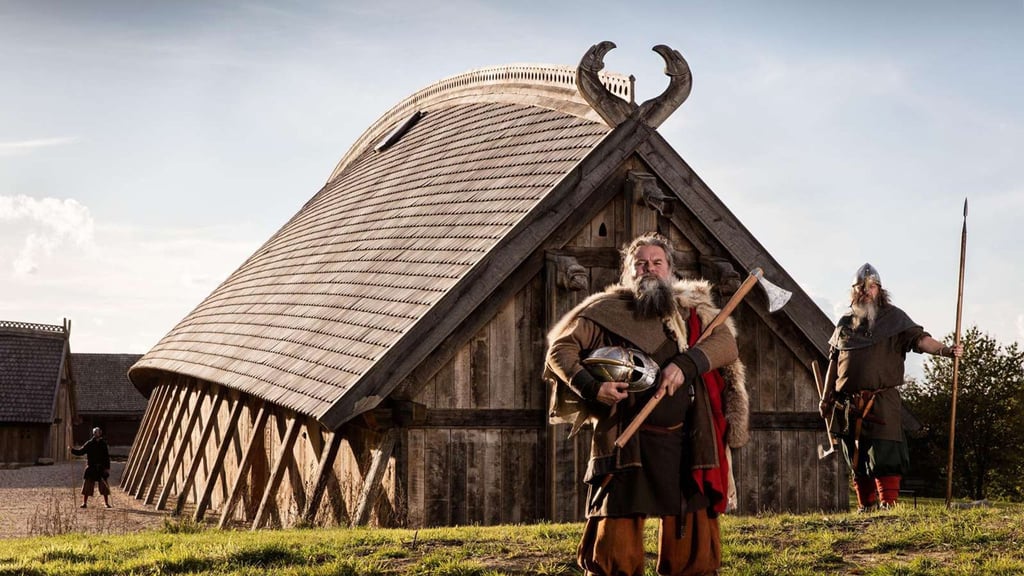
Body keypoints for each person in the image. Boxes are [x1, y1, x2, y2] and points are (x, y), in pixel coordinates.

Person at [545, 232, 748, 576]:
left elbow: (726, 345)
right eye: (640, 263)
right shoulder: (604, 311)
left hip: (685, 440)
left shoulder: (691, 312)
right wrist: (594, 387)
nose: (649, 269)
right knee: (614, 554)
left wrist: (685, 365)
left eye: (657, 262)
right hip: (627, 439)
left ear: (670, 270)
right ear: (628, 271)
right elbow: (559, 352)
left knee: (694, 557)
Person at [819, 263, 962, 512]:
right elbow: (834, 360)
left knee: (886, 451)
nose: (866, 292)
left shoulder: (895, 319)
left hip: (881, 401)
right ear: (854, 291)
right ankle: (866, 507)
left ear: (879, 290)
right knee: (855, 456)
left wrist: (946, 351)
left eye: (871, 287)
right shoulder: (844, 323)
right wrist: (826, 397)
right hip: (847, 403)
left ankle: (889, 506)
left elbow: (921, 340)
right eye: (861, 288)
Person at [71, 427, 112, 508]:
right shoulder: (89, 443)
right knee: (87, 486)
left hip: (101, 468)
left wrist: (107, 468)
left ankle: (106, 503)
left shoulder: (103, 444)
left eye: (99, 432)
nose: (98, 434)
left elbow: (106, 457)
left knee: (104, 487)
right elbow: (81, 452)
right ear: (94, 434)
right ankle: (84, 503)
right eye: (96, 432)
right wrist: (72, 450)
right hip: (91, 468)